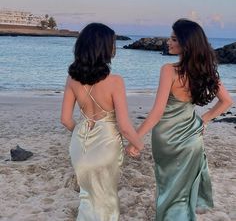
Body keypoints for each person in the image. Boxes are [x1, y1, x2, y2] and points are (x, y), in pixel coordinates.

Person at [126, 19, 233, 220]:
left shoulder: (169, 70)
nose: (168, 41)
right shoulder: (206, 70)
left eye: (174, 38)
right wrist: (205, 119)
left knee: (167, 187)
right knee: (183, 193)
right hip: (192, 137)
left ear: (186, 43)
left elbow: (157, 113)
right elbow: (227, 101)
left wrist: (135, 139)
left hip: (166, 139)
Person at [61, 22, 143, 220]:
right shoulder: (115, 81)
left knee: (87, 196)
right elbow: (124, 126)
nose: (114, 48)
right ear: (103, 48)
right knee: (106, 199)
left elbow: (65, 119)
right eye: (112, 43)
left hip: (79, 144)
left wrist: (81, 133)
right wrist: (138, 144)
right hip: (107, 144)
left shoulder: (72, 79)